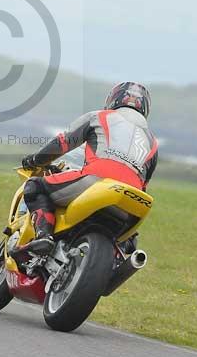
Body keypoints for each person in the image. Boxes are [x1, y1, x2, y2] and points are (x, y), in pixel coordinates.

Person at [14, 82, 158, 258]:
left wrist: (35, 160)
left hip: (97, 180)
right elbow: (144, 184)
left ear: (114, 99)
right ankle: (119, 260)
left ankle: (44, 236)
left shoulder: (99, 116)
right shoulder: (153, 142)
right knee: (129, 241)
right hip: (134, 199)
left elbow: (62, 143)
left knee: (35, 187)